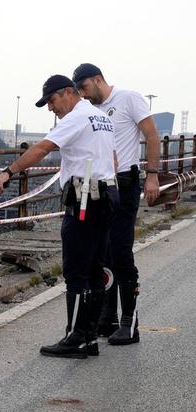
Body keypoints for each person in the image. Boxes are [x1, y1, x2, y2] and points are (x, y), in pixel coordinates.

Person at [0, 75, 118, 359]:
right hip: (106, 196)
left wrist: (8, 172)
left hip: (85, 198)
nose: (51, 109)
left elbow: (43, 148)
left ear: (68, 93)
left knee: (76, 270)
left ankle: (76, 338)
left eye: (52, 101)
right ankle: (89, 337)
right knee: (95, 270)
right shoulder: (100, 117)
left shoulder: (77, 117)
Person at [72, 63, 160, 346]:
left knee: (121, 252)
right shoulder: (92, 110)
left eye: (85, 88)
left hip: (126, 183)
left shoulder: (128, 98)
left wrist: (153, 176)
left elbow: (152, 135)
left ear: (98, 80)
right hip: (104, 185)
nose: (84, 95)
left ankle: (129, 323)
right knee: (103, 252)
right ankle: (107, 318)